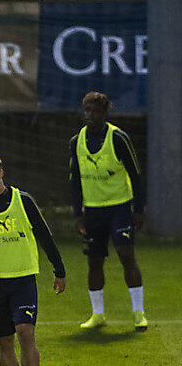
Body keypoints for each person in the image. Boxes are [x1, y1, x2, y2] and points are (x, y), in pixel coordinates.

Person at [0, 153, 66, 366]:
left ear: (0, 173)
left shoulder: (23, 200)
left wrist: (59, 270)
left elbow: (45, 235)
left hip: (22, 279)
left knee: (25, 333)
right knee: (4, 342)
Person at [69, 91, 147, 330]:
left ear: (105, 113)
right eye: (88, 110)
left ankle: (138, 312)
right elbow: (74, 180)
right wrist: (77, 213)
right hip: (93, 211)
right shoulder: (76, 141)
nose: (91, 115)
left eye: (96, 111)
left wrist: (139, 209)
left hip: (119, 208)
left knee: (126, 255)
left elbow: (135, 174)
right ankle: (98, 315)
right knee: (94, 262)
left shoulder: (118, 138)